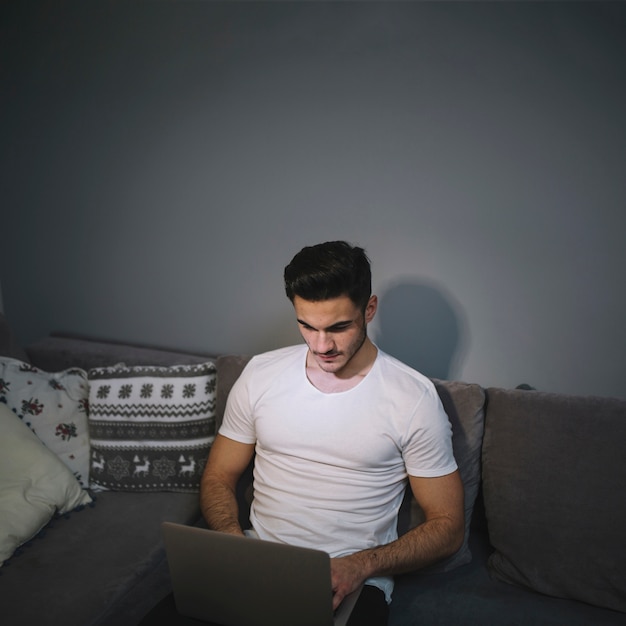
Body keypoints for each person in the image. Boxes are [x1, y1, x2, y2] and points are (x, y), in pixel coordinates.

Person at [200, 241, 464, 625]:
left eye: (339, 327)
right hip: (257, 560)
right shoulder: (260, 374)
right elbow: (218, 475)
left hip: (353, 580)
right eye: (307, 326)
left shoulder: (414, 398)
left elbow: (449, 527)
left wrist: (359, 566)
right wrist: (232, 542)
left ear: (369, 310)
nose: (322, 345)